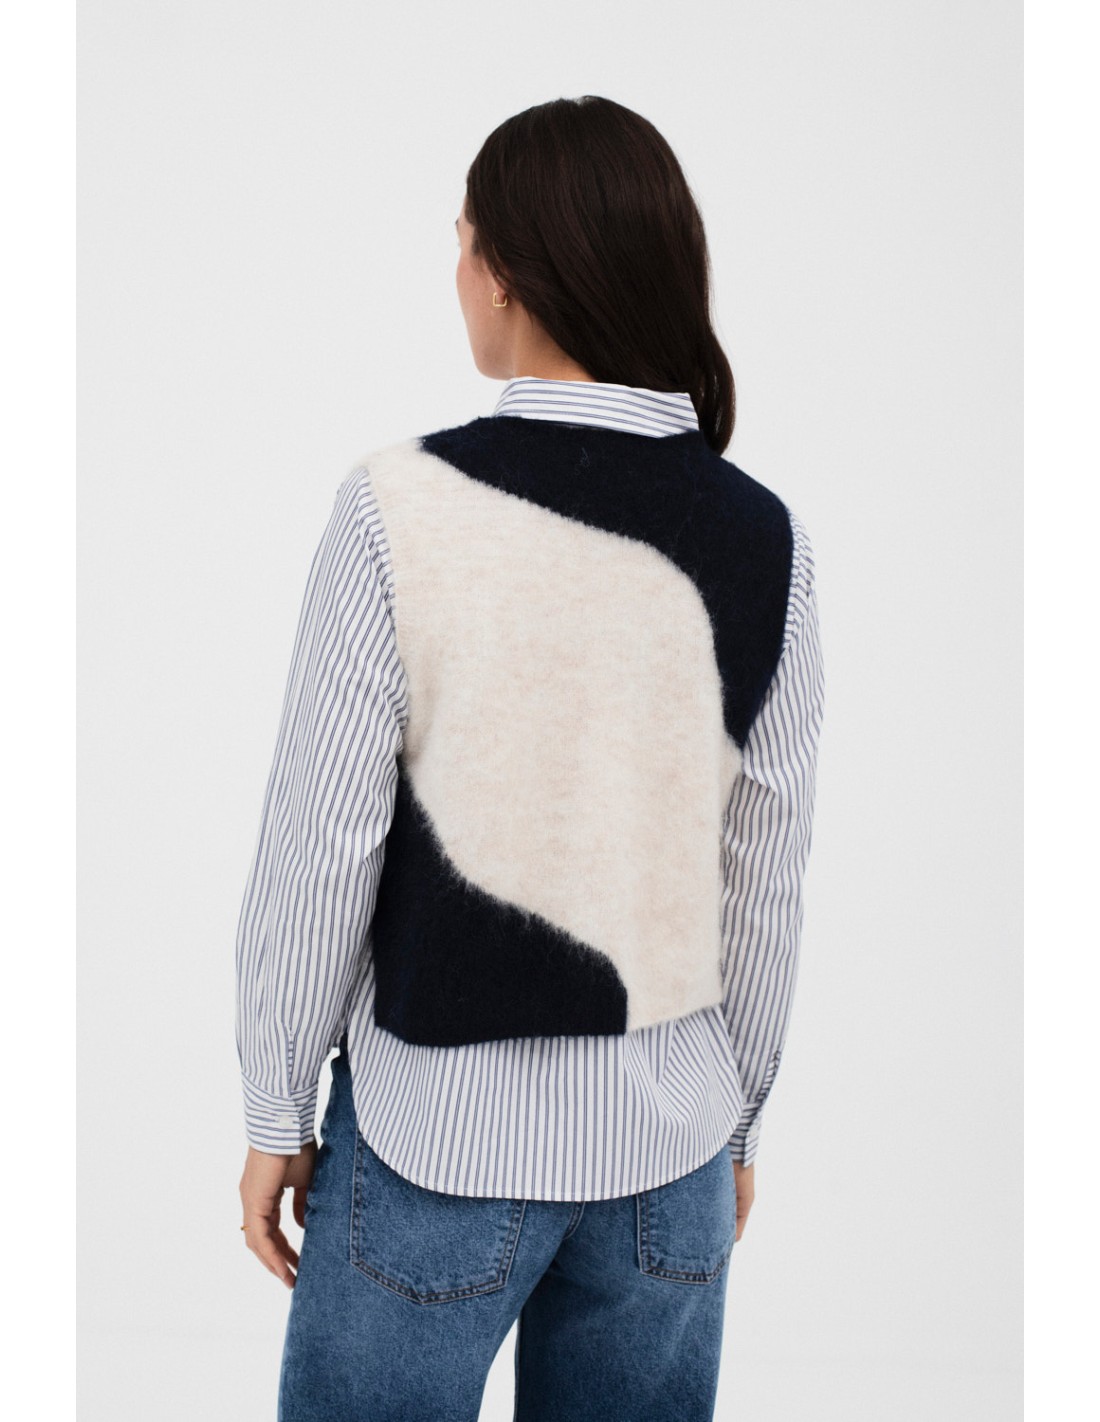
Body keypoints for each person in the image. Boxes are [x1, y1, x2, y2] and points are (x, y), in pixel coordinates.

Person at [235, 95, 825, 1422]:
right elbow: (763, 879)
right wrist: (737, 1119)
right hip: (669, 1160)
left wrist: (276, 1108)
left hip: (435, 1151)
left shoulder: (397, 508)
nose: (456, 271)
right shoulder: (766, 539)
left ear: (503, 269)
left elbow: (321, 844)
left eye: (461, 241)